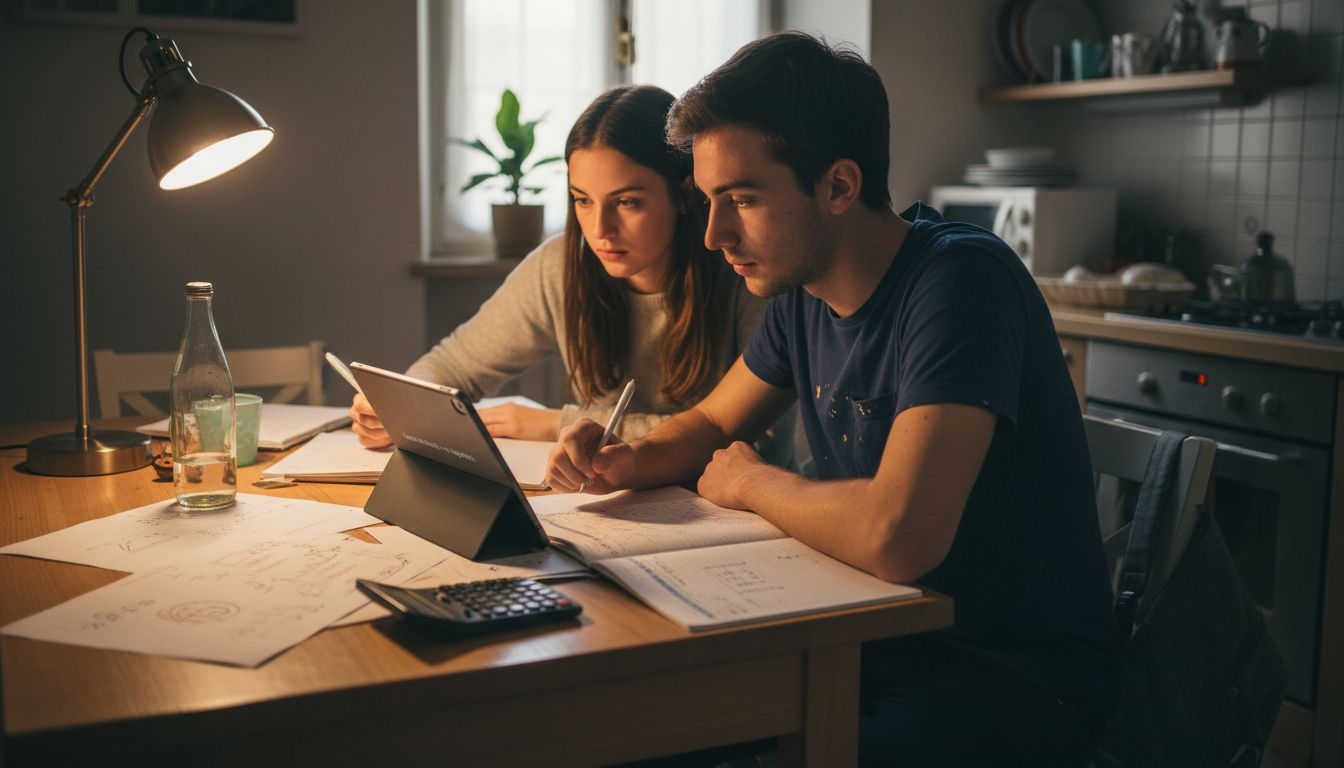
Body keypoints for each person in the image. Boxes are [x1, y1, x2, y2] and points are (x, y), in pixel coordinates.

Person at [547, 33, 1116, 767]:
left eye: (743, 200)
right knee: (629, 726)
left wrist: (753, 482)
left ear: (839, 187)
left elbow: (898, 536)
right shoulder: (801, 290)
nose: (716, 234)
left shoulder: (962, 283)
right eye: (708, 202)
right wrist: (627, 459)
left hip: (1008, 677)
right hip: (867, 638)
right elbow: (716, 420)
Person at [349, 85, 787, 465]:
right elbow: (453, 365)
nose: (599, 230)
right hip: (603, 500)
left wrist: (558, 423)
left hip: (724, 516)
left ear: (685, 194)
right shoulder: (561, 265)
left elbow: (753, 438)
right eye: (583, 200)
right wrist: (400, 406)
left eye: (627, 202)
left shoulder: (743, 272)